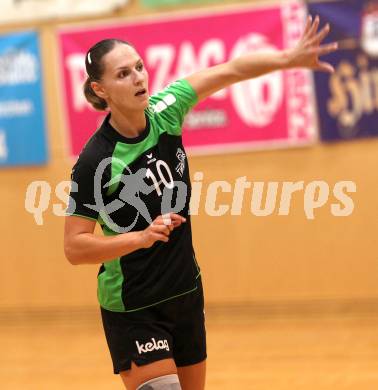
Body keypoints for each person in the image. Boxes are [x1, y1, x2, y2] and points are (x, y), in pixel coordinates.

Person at [64, 14, 337, 390]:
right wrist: (139, 238)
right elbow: (75, 247)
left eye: (139, 67)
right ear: (101, 89)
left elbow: (230, 69)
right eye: (123, 74)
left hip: (185, 293)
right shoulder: (95, 161)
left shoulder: (167, 110)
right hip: (133, 305)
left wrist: (288, 59)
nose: (139, 78)